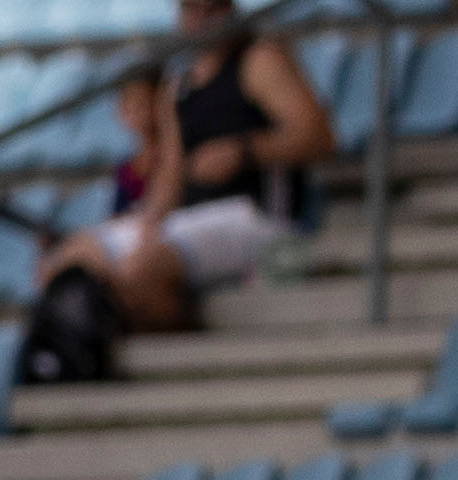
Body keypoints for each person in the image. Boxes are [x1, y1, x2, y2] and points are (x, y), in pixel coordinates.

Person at [42, 0, 336, 333]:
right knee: (67, 261)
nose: (200, 21)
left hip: (256, 216)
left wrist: (245, 151)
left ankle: (190, 338)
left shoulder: (258, 60)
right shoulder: (178, 82)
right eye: (190, 10)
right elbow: (171, 173)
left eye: (211, 10)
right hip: (191, 218)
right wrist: (150, 219)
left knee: (139, 270)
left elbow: (319, 137)